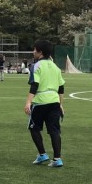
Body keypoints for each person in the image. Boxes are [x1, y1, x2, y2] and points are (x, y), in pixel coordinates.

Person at [25, 39, 65, 168]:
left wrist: (28, 102)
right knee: (54, 130)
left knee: (34, 128)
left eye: (34, 49)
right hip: (54, 101)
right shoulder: (55, 67)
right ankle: (57, 159)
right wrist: (61, 104)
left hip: (40, 101)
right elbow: (61, 87)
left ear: (40, 52)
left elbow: (35, 85)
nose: (33, 52)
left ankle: (42, 154)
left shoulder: (36, 66)